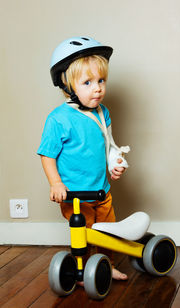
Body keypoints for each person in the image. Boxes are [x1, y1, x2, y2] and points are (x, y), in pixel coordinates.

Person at [37, 36, 130, 281]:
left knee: (108, 233)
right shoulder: (58, 119)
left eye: (101, 80)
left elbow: (108, 143)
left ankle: (106, 266)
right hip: (76, 195)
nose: (97, 87)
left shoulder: (103, 112)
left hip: (101, 190)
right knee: (86, 234)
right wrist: (56, 183)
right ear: (68, 86)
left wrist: (115, 163)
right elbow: (47, 155)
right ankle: (85, 271)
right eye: (87, 82)